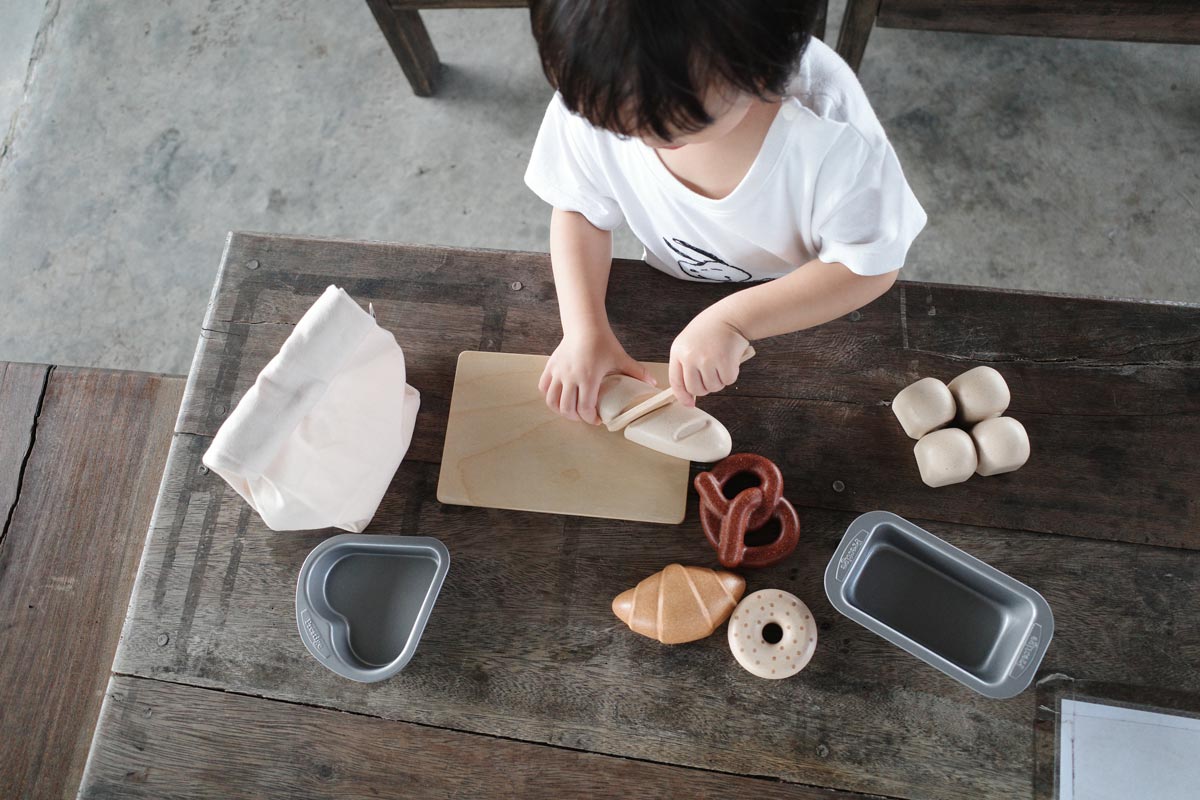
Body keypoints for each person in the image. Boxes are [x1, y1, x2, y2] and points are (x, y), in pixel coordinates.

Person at [525, 0, 926, 424]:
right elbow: (580, 208)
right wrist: (584, 330)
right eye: (617, 127)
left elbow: (868, 265)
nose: (641, 141)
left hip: (797, 303)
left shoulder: (832, 133)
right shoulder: (603, 78)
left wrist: (734, 320)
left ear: (757, 71)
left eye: (668, 127)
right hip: (671, 290)